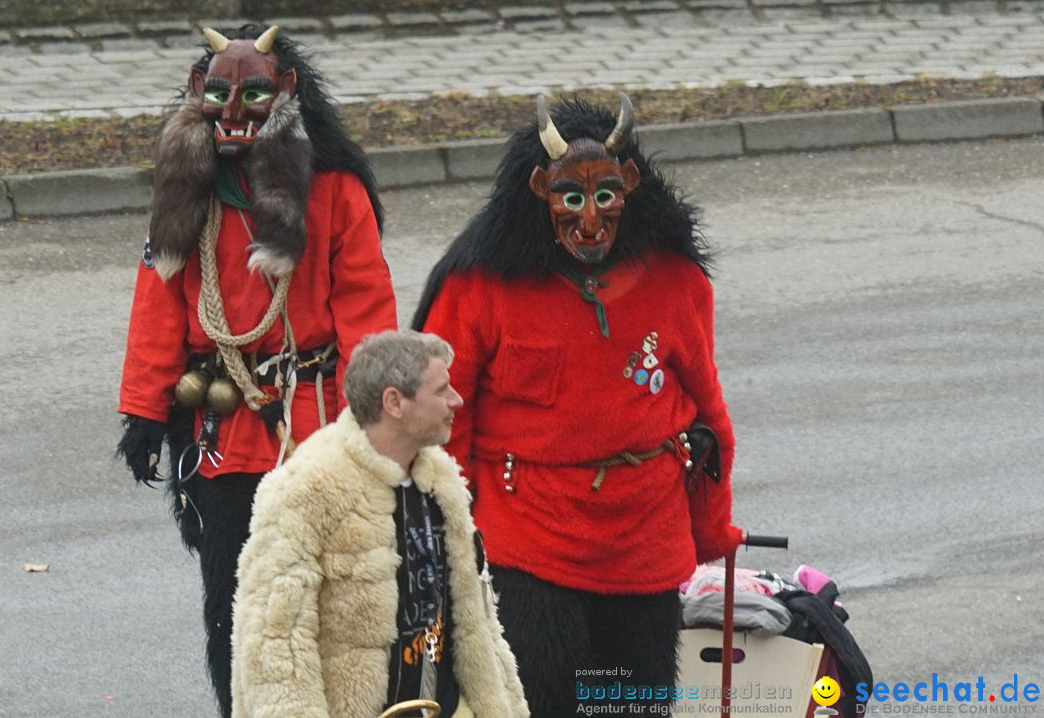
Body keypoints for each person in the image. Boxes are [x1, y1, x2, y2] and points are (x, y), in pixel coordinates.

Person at [412, 95, 743, 716]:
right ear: (540, 190)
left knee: (633, 707)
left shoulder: (676, 281)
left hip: (645, 540)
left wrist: (711, 532)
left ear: (631, 188)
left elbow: (708, 413)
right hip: (526, 539)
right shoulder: (477, 285)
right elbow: (439, 424)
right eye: (570, 199)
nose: (589, 221)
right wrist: (448, 543)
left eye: (605, 197)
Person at [116, 24, 397, 717]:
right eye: (218, 94)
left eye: (254, 94)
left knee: (334, 601)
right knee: (236, 604)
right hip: (225, 431)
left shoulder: (333, 191)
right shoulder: (185, 190)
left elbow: (366, 306)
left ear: (287, 92)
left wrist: (380, 423)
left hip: (319, 426)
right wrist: (147, 413)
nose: (234, 112)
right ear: (196, 92)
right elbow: (159, 303)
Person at [230, 330, 529, 718]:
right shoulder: (305, 490)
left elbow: (480, 625)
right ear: (395, 402)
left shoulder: (442, 480)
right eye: (441, 391)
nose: (457, 400)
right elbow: (274, 645)